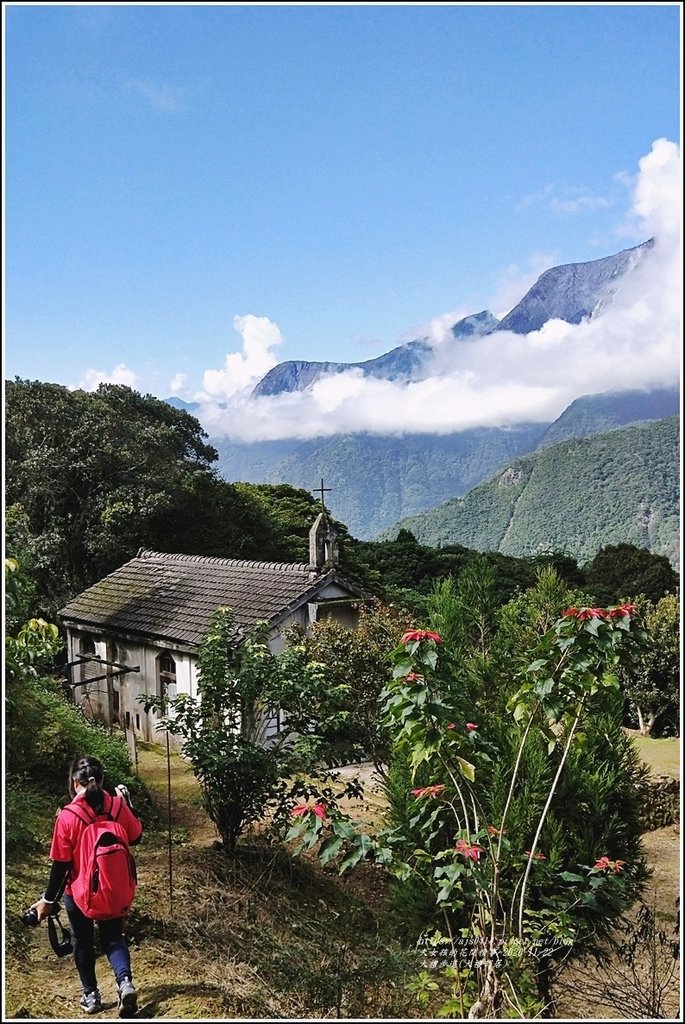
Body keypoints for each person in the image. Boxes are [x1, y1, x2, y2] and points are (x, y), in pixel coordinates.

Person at [29, 755, 143, 1017]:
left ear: (74, 781)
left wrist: (48, 900)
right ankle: (125, 982)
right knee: (114, 937)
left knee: (82, 940)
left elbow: (61, 865)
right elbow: (136, 836)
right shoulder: (116, 805)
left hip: (80, 893)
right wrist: (128, 805)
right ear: (102, 779)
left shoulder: (69, 816)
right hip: (115, 887)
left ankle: (91, 996)